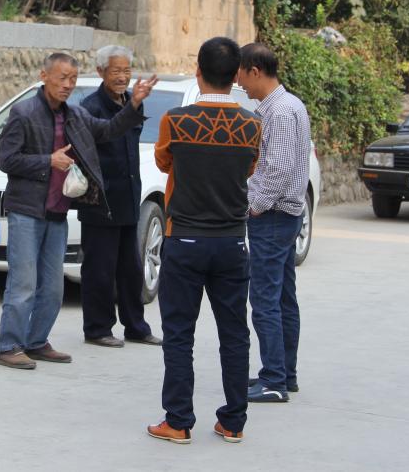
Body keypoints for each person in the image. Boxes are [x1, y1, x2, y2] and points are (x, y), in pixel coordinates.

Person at [0, 52, 157, 369]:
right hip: (26, 211)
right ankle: (9, 346)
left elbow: (109, 130)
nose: (68, 84)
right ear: (44, 76)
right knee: (23, 284)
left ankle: (36, 341)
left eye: (72, 79)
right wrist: (48, 161)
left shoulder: (75, 114)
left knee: (53, 288)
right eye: (62, 78)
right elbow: (6, 159)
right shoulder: (24, 112)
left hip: (57, 212)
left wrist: (134, 104)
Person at [147, 37, 260, 445]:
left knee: (179, 333)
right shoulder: (252, 125)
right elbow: (250, 169)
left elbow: (163, 161)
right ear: (236, 77)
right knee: (235, 333)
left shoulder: (175, 120)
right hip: (232, 241)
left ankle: (178, 421)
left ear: (198, 71)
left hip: (185, 238)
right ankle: (233, 421)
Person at [236, 42, 311, 403]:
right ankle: (284, 373)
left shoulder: (278, 113)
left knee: (265, 300)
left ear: (255, 71)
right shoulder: (291, 104)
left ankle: (273, 381)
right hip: (287, 215)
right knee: (283, 298)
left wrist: (255, 205)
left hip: (274, 215)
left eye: (241, 75)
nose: (239, 83)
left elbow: (277, 169)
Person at [78, 45, 160, 348]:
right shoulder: (89, 107)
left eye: (127, 71)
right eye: (116, 71)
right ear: (101, 72)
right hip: (100, 201)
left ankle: (135, 327)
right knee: (99, 270)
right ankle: (97, 328)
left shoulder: (130, 101)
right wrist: (133, 105)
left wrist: (135, 102)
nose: (122, 77)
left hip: (127, 197)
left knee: (131, 269)